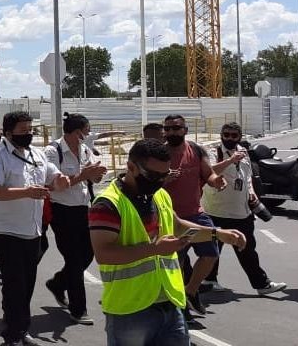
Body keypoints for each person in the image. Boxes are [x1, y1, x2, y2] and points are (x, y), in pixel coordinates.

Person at [90, 138, 246, 345]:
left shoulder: (159, 194)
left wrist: (217, 233)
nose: (159, 181)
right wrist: (155, 249)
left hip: (170, 304)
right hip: (130, 309)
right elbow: (104, 254)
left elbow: (179, 227)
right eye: (153, 176)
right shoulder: (108, 203)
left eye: (164, 176)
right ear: (131, 167)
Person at [0, 111, 69, 346]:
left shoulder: (36, 154)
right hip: (5, 229)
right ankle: (14, 333)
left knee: (27, 281)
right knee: (15, 282)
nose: (28, 134)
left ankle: (18, 327)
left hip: (32, 228)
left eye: (31, 130)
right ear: (8, 133)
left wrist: (62, 180)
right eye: (23, 131)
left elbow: (54, 177)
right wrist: (28, 192)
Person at [202, 122, 286, 295]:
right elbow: (208, 171)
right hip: (216, 210)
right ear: (221, 135)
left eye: (234, 135)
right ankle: (209, 280)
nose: (230, 138)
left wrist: (251, 192)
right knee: (212, 250)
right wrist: (231, 160)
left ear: (239, 136)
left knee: (247, 249)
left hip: (241, 211)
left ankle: (262, 284)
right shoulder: (213, 152)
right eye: (226, 135)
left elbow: (246, 176)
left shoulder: (243, 151)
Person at [44, 113, 108, 325]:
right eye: (86, 130)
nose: (88, 134)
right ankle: (78, 309)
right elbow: (55, 184)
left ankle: (58, 283)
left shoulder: (85, 149)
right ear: (75, 131)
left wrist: (97, 174)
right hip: (61, 211)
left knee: (88, 254)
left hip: (83, 209)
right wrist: (83, 175)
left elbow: (92, 177)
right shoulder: (53, 152)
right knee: (73, 259)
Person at [162, 115, 226, 320]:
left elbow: (208, 173)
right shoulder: (159, 154)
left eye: (176, 128)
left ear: (185, 130)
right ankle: (179, 303)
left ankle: (191, 291)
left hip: (196, 214)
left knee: (211, 254)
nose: (172, 132)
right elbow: (145, 182)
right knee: (177, 264)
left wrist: (216, 181)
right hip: (170, 218)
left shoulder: (196, 150)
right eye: (168, 129)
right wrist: (163, 179)